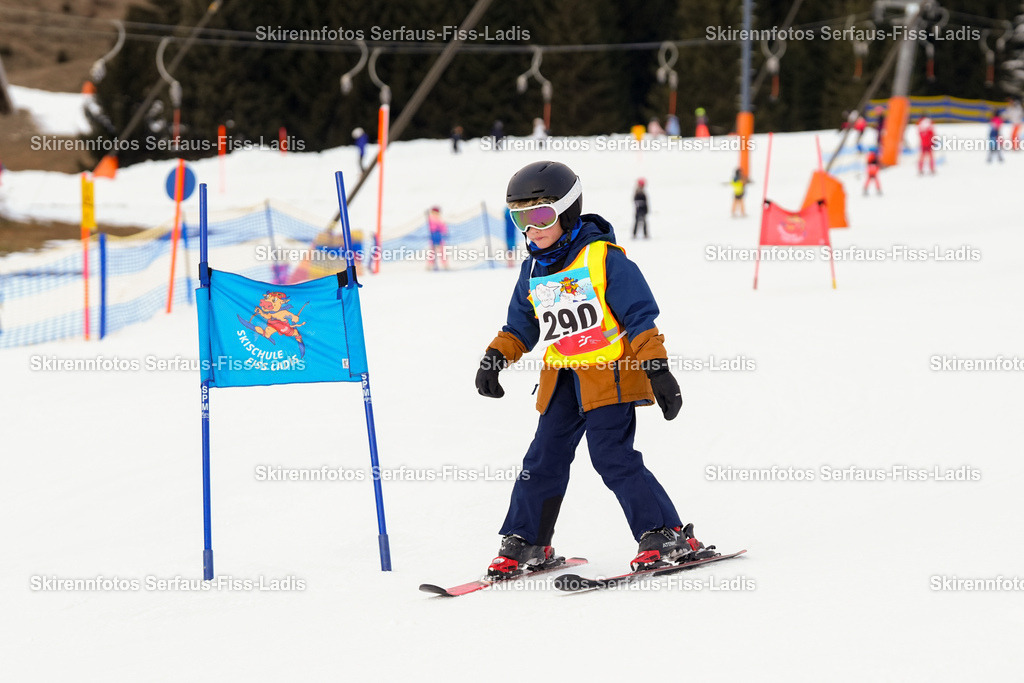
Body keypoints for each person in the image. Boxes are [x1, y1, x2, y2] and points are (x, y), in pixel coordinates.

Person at [474, 160, 716, 578]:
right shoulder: (533, 269)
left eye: (541, 215)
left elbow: (640, 317)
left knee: (611, 457)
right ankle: (527, 540)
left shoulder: (603, 258)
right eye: (521, 219)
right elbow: (521, 325)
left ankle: (665, 533)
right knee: (543, 458)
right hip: (561, 379)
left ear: (566, 212)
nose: (531, 229)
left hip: (610, 376)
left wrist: (658, 370)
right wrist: (494, 359)